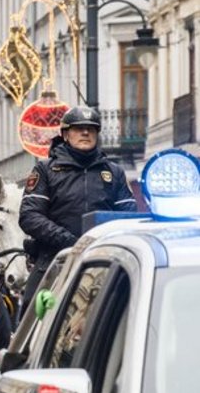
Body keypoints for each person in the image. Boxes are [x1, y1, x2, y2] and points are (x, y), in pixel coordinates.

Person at [19, 105, 136, 309]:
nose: (85, 133)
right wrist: (69, 241)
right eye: (79, 128)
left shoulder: (114, 172)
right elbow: (29, 216)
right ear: (65, 134)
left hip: (104, 258)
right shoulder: (45, 169)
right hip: (55, 260)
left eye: (91, 129)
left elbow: (130, 217)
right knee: (32, 308)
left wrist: (103, 242)